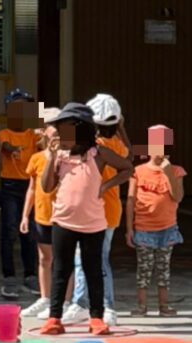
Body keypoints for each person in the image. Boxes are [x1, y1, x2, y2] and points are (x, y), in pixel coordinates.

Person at [37, 101, 131, 336]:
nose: (62, 135)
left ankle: (96, 318)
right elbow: (46, 187)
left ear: (82, 131)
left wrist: (107, 185)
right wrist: (51, 157)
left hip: (92, 224)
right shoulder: (60, 156)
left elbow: (127, 168)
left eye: (67, 130)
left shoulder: (98, 154)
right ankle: (54, 318)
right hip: (63, 222)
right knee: (61, 270)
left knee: (93, 270)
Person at [70, 93, 131, 324]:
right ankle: (83, 303)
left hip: (96, 211)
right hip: (106, 210)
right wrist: (122, 128)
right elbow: (129, 152)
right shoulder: (117, 144)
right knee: (89, 258)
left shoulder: (98, 146)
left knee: (91, 259)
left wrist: (104, 185)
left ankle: (104, 305)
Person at [125, 124, 186, 317]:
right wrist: (129, 228)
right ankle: (142, 306)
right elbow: (130, 200)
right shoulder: (138, 171)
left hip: (168, 228)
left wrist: (167, 173)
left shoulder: (176, 171)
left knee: (163, 269)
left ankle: (164, 306)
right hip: (144, 228)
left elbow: (178, 197)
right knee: (144, 269)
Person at [0, 88, 39, 298]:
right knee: (9, 230)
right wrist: (13, 150)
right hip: (10, 187)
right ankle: (9, 277)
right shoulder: (4, 133)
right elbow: (5, 146)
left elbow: (47, 136)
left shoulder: (34, 135)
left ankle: (31, 275)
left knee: (30, 233)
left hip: (30, 186)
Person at [20, 119, 58, 318]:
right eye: (53, 131)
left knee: (63, 260)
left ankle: (64, 301)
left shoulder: (68, 158)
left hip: (63, 217)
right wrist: (25, 216)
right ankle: (45, 298)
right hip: (42, 216)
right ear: (44, 133)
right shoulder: (36, 158)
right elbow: (32, 189)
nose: (57, 135)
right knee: (44, 258)